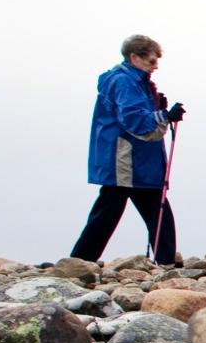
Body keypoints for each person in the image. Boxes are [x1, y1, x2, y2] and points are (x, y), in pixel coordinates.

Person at [71, 33, 184, 263]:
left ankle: (80, 260)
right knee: (128, 210)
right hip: (126, 160)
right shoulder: (124, 81)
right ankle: (165, 263)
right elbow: (132, 119)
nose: (155, 66)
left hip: (137, 161)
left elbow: (137, 115)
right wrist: (164, 114)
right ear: (134, 57)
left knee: (116, 211)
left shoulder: (135, 82)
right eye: (151, 61)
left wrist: (158, 108)